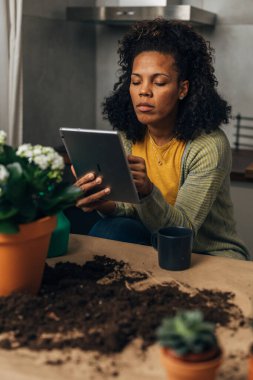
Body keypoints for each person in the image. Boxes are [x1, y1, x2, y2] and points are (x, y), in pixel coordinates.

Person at [73, 18, 250, 260]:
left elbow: (182, 231)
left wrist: (147, 192)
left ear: (182, 89)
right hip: (151, 240)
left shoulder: (209, 145)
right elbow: (128, 210)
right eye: (136, 82)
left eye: (159, 82)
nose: (144, 90)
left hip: (207, 252)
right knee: (108, 228)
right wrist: (99, 200)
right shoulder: (129, 136)